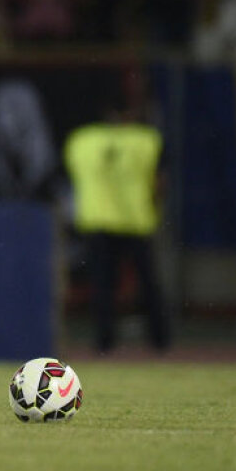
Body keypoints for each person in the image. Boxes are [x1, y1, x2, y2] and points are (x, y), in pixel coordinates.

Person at [64, 96, 171, 353]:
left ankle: (104, 342)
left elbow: (73, 176)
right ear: (130, 113)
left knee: (103, 285)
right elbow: (160, 182)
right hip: (136, 220)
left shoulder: (82, 141)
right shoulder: (146, 140)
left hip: (98, 220)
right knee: (149, 284)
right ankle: (160, 341)